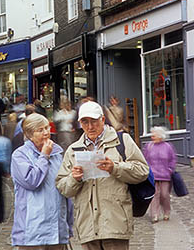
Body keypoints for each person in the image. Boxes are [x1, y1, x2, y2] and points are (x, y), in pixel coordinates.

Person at [56, 100, 149, 250]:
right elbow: (63, 187)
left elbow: (142, 171)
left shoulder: (122, 141)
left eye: (94, 121)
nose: (90, 127)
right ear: (80, 123)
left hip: (115, 223)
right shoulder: (73, 150)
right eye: (85, 122)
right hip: (88, 227)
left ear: (103, 120)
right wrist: (74, 178)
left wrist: (115, 168)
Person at [11, 113, 73, 249]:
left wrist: (69, 225)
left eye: (47, 128)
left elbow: (64, 190)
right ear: (29, 134)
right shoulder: (20, 155)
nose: (46, 132)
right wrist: (44, 155)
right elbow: (32, 181)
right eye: (40, 130)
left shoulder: (57, 154)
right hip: (32, 232)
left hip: (57, 231)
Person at [143, 126, 176, 223]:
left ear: (161, 136)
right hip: (152, 175)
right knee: (154, 195)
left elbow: (172, 159)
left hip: (165, 175)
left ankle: (166, 212)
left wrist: (170, 169)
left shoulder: (168, 147)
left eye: (154, 135)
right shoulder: (148, 146)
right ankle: (155, 215)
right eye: (152, 135)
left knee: (164, 195)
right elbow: (144, 159)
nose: (152, 137)